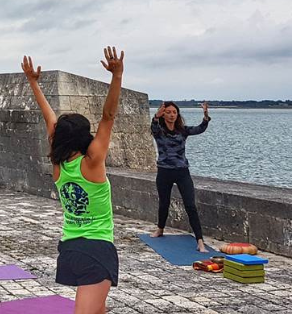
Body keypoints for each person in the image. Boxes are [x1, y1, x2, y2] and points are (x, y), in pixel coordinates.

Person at [21, 47, 124, 314]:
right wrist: (117, 76)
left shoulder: (59, 165)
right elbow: (108, 116)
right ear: (83, 137)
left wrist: (33, 82)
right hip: (97, 248)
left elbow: (49, 118)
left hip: (70, 249)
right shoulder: (92, 163)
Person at [149, 101, 211, 253]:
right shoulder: (159, 131)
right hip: (164, 171)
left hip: (182, 171)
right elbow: (154, 127)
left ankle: (200, 241)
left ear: (177, 115)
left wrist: (205, 116)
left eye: (174, 112)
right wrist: (156, 116)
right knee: (164, 202)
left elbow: (200, 129)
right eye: (168, 112)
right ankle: (160, 228)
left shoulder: (182, 131)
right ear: (163, 114)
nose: (171, 115)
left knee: (190, 205)